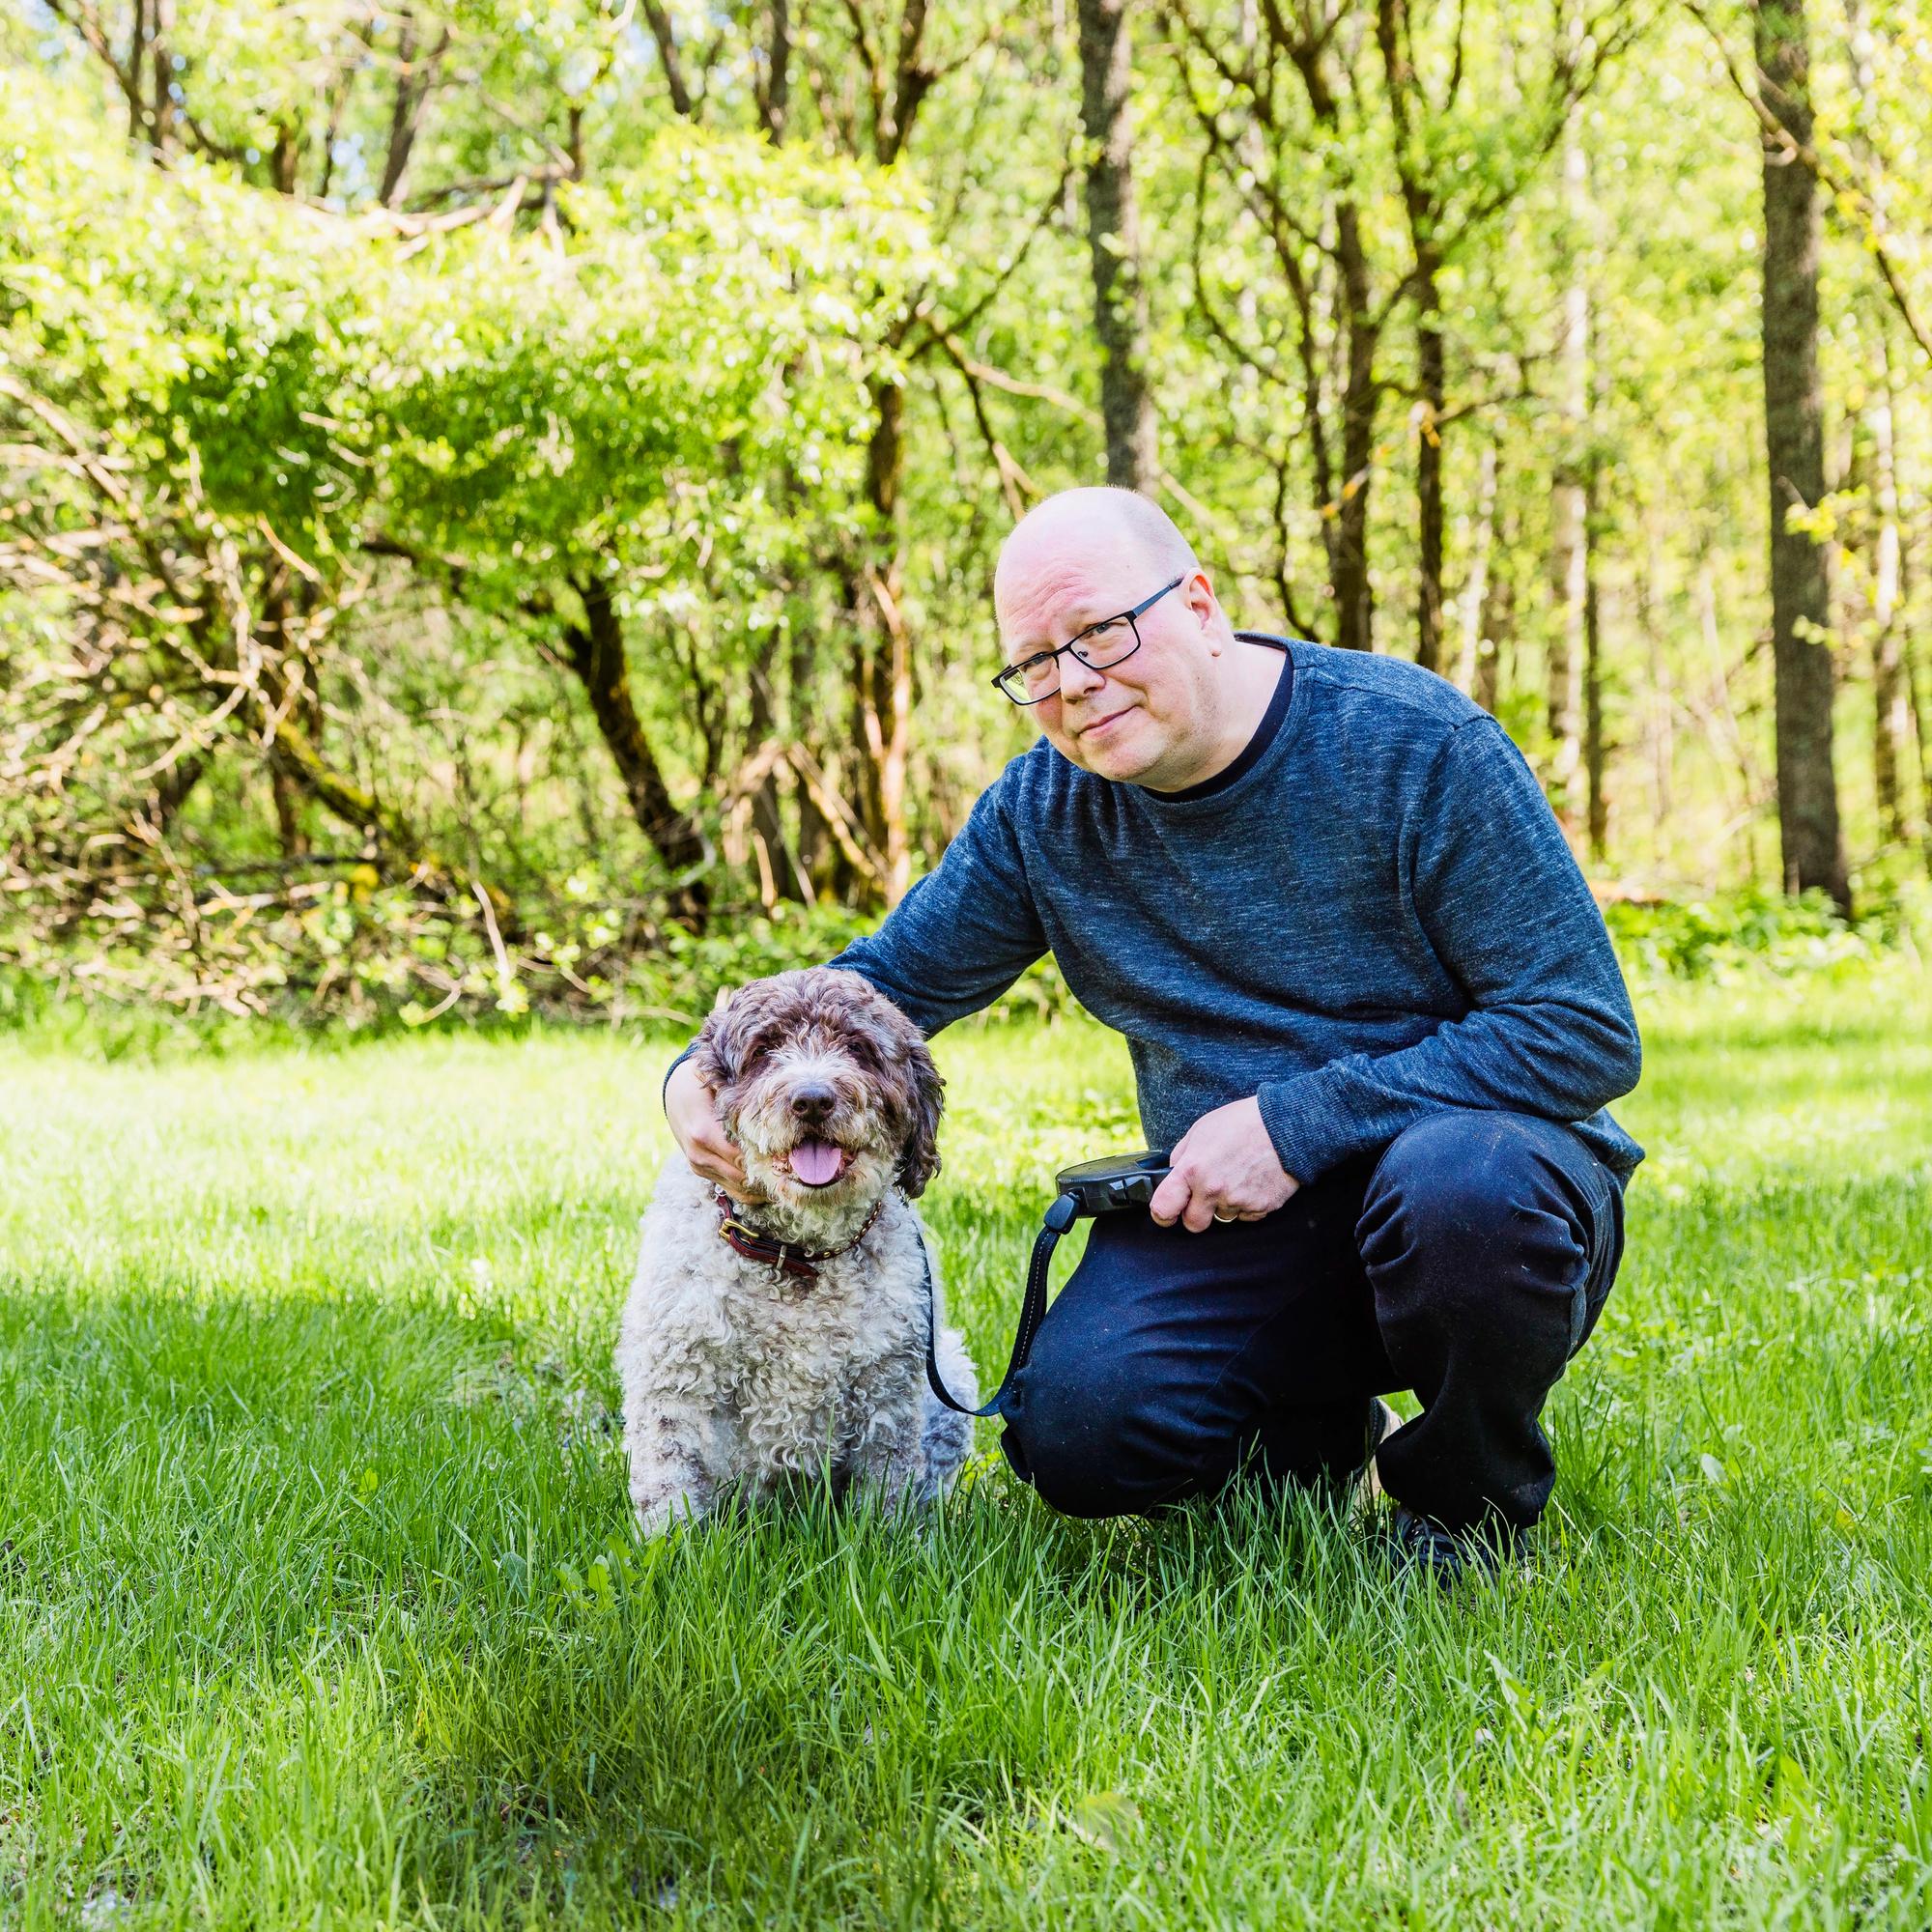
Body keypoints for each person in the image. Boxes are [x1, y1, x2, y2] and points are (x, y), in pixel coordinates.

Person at [665, 487, 1640, 1580]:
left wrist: (1293, 1124)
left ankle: (1465, 1511)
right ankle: (1309, 1441)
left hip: (1474, 1188)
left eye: (1098, 632)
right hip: (1229, 1212)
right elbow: (878, 987)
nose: (1073, 682)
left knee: (1465, 1194)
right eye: (1035, 662)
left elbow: (1581, 1029)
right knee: (1080, 1430)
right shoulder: (1043, 811)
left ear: (1200, 605)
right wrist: (693, 1075)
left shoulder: (1416, 745)